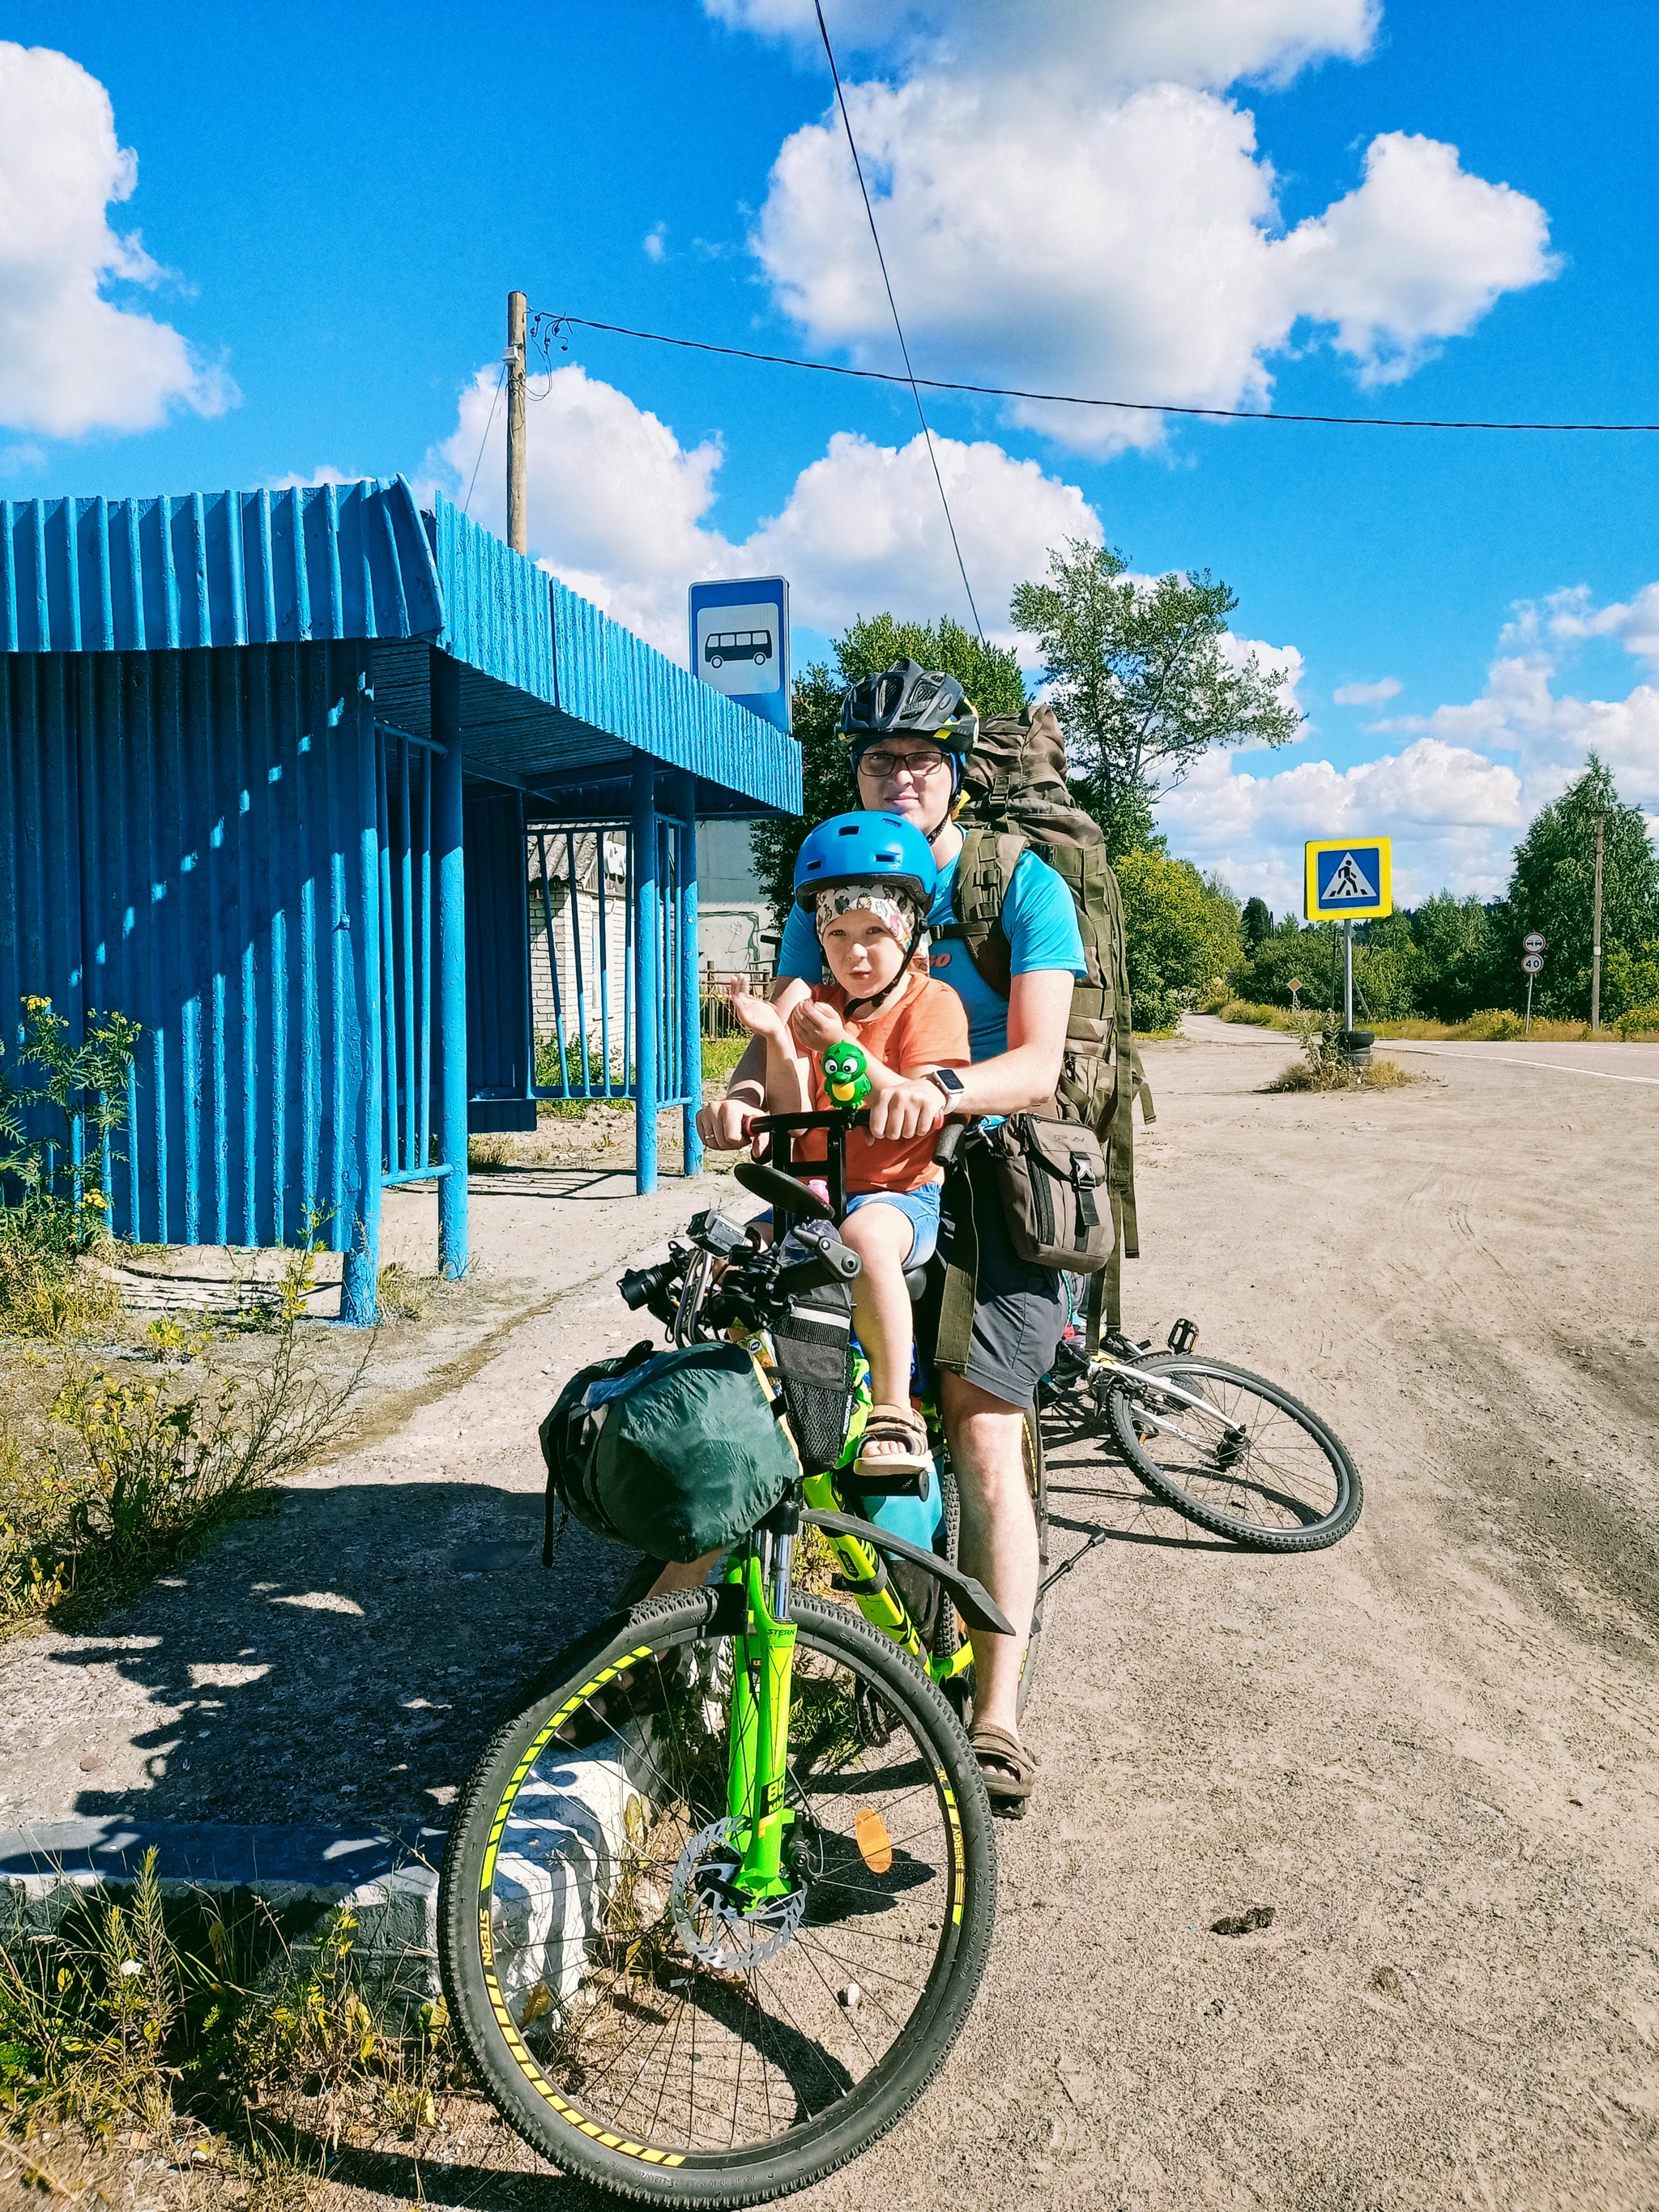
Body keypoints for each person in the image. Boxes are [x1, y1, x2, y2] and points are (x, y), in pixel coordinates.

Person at [697, 661, 1085, 1813]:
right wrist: (740, 1099)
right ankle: (708, 1629)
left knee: (983, 1432)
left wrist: (938, 1088)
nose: (900, 775)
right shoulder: (842, 878)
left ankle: (998, 1713)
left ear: (957, 775)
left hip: (993, 1172)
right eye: (879, 759)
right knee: (760, 1372)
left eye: (920, 759)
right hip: (858, 1176)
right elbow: (786, 1050)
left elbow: (1038, 1063)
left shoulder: (1020, 886)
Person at [727, 811, 970, 1479]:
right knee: (726, 1251)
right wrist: (779, 1041)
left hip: (902, 1195)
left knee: (862, 1237)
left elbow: (913, 1100)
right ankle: (751, 1398)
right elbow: (797, 1116)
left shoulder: (933, 1002)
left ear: (908, 930)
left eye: (872, 933)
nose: (854, 953)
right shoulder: (819, 1002)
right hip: (821, 1192)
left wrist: (839, 1043)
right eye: (836, 934)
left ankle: (897, 1407)